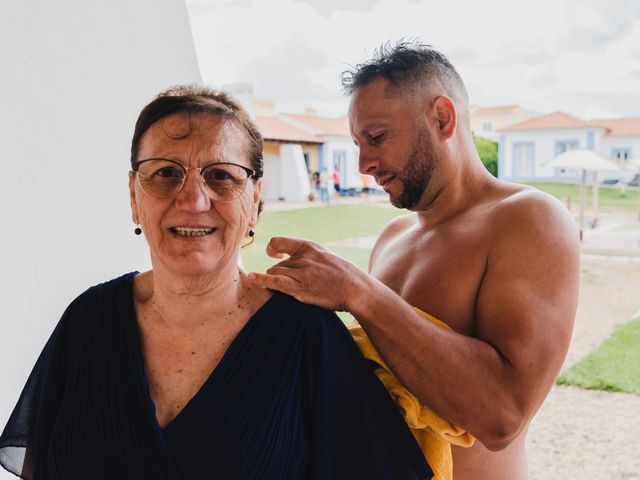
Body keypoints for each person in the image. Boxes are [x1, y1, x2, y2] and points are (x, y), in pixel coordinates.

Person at [0, 85, 433, 479]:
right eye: (165, 173)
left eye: (221, 175)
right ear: (134, 197)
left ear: (254, 200)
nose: (192, 199)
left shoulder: (305, 335)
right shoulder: (87, 321)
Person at [248, 42, 580, 480]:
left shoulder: (529, 219)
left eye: (377, 137)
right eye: (357, 144)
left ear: (442, 118)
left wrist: (357, 291)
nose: (365, 163)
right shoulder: (392, 238)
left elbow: (503, 416)